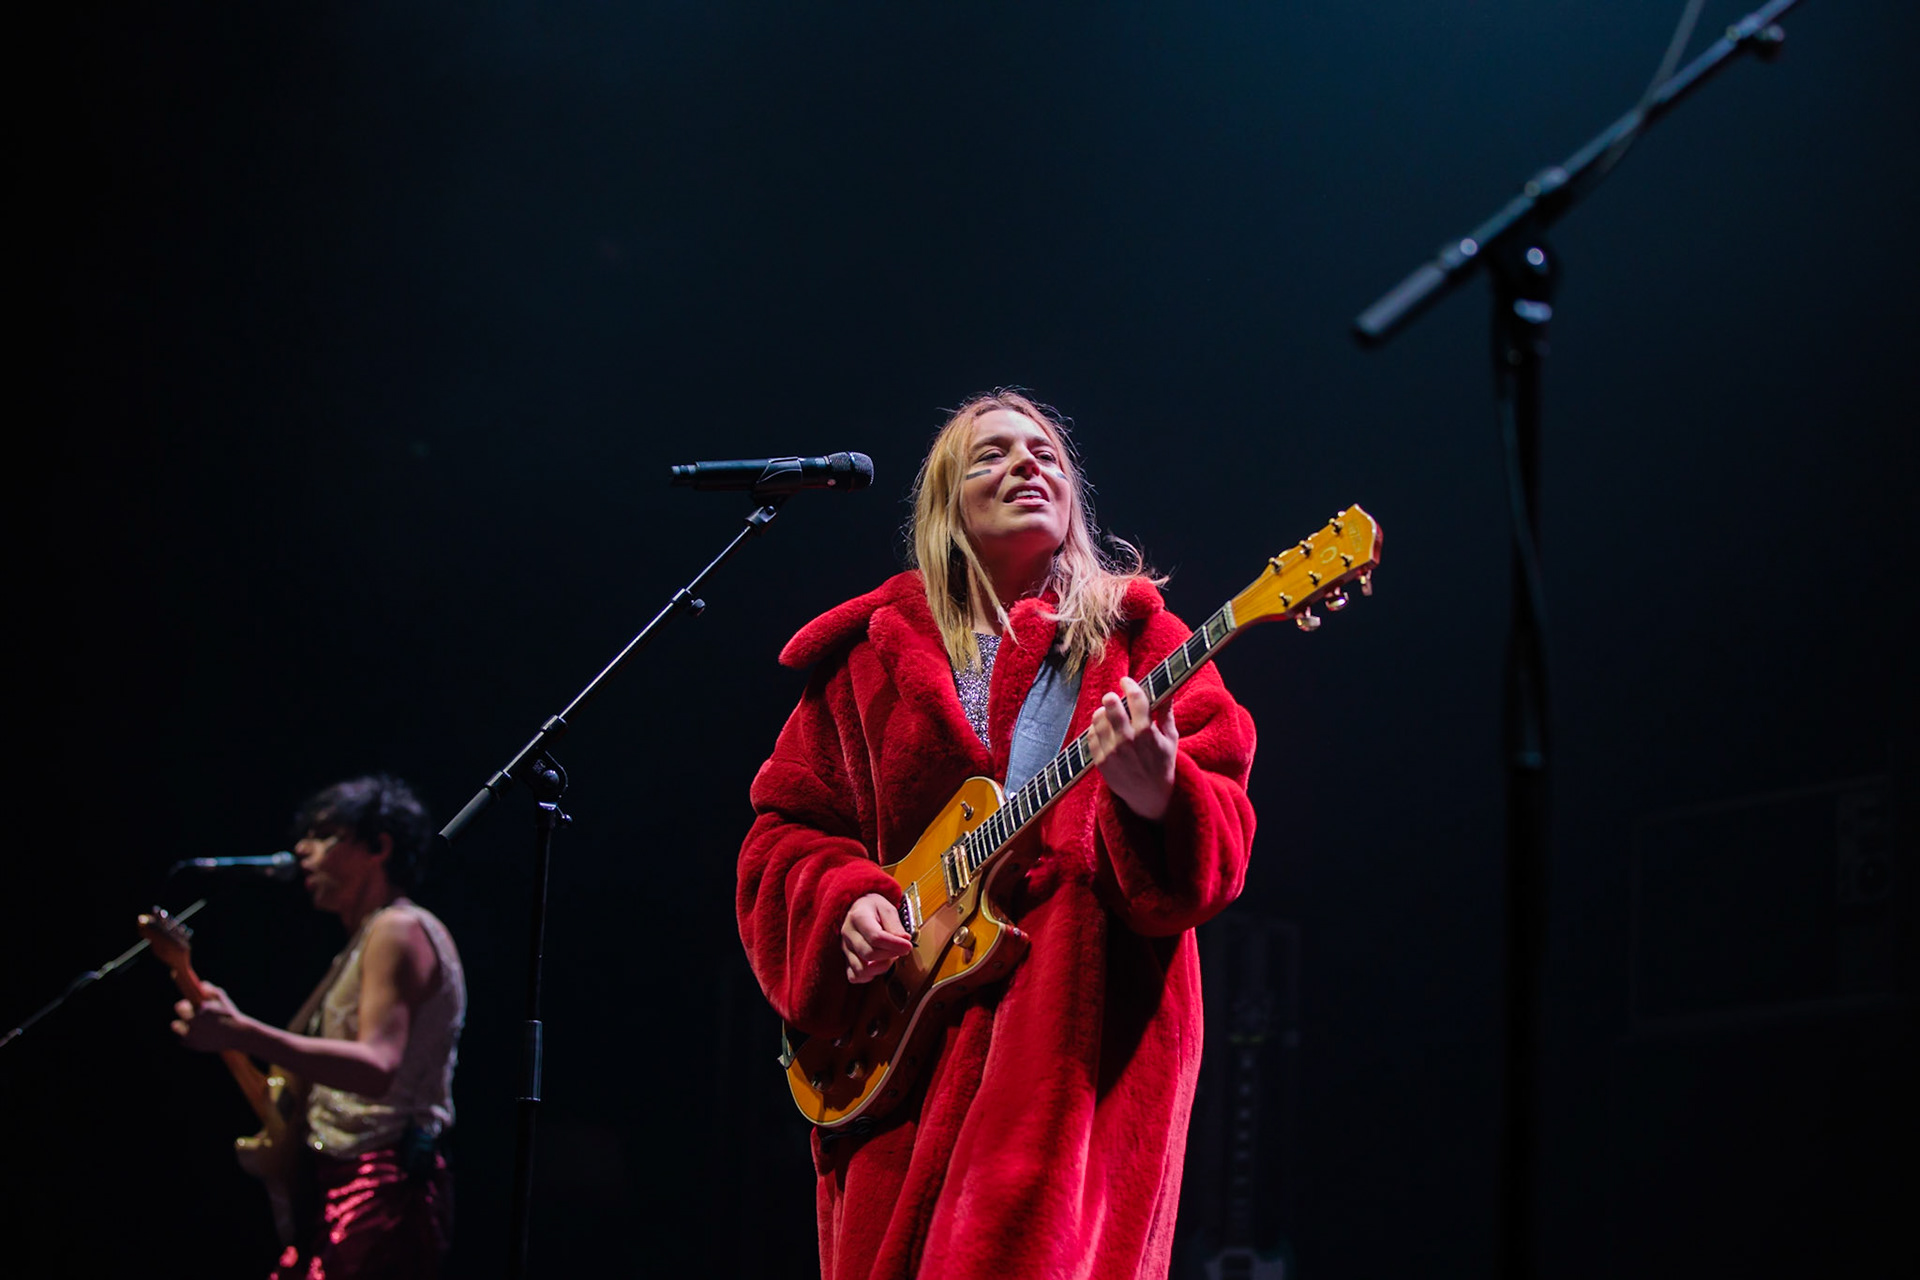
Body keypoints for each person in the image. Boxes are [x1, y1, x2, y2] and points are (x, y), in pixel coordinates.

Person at [737, 390, 1259, 1279]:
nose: (1030, 464)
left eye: (1048, 453)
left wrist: (1158, 790)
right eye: (993, 455)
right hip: (896, 1054)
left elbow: (1218, 845)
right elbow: (784, 832)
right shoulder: (865, 661)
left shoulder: (1138, 641)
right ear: (945, 507)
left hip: (1069, 1039)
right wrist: (845, 904)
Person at [171, 773, 466, 1279]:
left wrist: (242, 1033)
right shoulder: (363, 942)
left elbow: (377, 1069)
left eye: (325, 834)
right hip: (348, 1184)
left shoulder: (399, 929)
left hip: (384, 1186)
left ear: (379, 846)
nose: (302, 850)